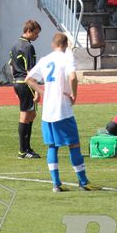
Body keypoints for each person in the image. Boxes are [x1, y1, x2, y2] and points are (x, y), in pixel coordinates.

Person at [25, 32, 96, 192]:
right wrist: (74, 94)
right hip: (62, 109)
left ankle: (56, 184)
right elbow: (72, 78)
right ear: (65, 45)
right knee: (74, 144)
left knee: (52, 146)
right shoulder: (66, 57)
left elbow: (28, 78)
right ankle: (83, 182)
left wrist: (43, 92)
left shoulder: (45, 59)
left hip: (47, 111)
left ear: (53, 44)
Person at [9, 20, 42, 159]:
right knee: (26, 114)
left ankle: (26, 148)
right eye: (36, 33)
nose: (37, 36)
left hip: (18, 82)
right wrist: (36, 90)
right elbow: (31, 71)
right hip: (25, 82)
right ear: (29, 31)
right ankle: (23, 150)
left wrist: (15, 84)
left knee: (31, 114)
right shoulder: (28, 47)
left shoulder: (15, 45)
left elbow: (11, 66)